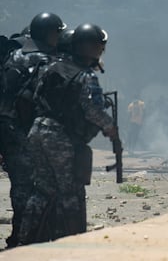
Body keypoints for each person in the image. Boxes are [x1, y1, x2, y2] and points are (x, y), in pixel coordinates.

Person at [19, 23, 116, 244]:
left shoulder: (50, 67)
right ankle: (72, 242)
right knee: (70, 192)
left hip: (37, 130)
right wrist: (110, 128)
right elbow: (92, 110)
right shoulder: (84, 76)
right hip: (60, 138)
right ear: (90, 48)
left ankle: (25, 240)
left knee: (42, 190)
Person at [0, 12, 66, 248]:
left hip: (9, 131)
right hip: (32, 133)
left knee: (20, 187)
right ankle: (34, 238)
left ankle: (19, 236)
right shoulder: (47, 60)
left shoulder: (11, 56)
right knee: (43, 189)